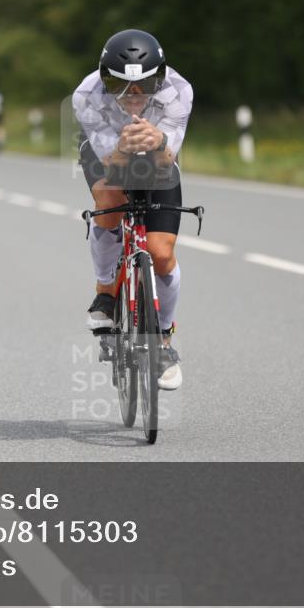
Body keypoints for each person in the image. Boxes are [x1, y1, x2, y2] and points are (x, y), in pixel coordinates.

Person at [72, 29, 193, 391]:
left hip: (157, 155)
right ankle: (106, 292)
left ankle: (164, 340)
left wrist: (158, 141)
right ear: (104, 78)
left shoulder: (179, 91)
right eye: (119, 86)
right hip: (105, 151)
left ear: (161, 77)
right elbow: (111, 161)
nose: (133, 96)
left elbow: (168, 156)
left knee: (160, 253)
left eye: (145, 86)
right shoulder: (86, 95)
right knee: (109, 204)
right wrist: (123, 147)